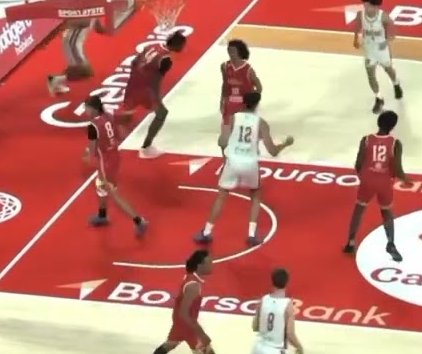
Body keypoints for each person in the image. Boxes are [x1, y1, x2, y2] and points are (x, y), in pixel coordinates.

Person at [195, 91, 294, 246]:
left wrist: (227, 144)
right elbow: (273, 151)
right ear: (257, 104)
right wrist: (285, 144)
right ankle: (252, 234)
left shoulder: (233, 118)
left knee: (222, 196)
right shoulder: (261, 123)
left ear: (243, 103)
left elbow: (222, 142)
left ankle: (206, 232)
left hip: (233, 161)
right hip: (250, 163)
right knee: (255, 195)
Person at [140, 249, 217, 354]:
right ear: (200, 265)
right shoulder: (193, 286)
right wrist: (202, 335)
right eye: (209, 262)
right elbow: (185, 313)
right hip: (187, 326)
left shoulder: (190, 278)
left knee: (169, 345)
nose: (212, 264)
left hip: (180, 323)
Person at [343, 110, 410, 262]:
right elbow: (397, 169)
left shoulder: (366, 139)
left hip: (367, 179)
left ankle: (350, 243)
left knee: (359, 210)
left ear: (378, 122)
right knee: (386, 212)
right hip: (384, 182)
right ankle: (390, 243)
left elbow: (358, 163)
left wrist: (364, 177)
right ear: (393, 126)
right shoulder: (395, 143)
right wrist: (406, 179)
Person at [83, 95, 148, 236]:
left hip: (105, 161)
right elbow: (119, 133)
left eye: (87, 109)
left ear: (94, 109)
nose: (85, 112)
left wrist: (87, 154)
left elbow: (92, 149)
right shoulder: (108, 116)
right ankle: (102, 214)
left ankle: (138, 221)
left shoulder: (93, 126)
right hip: (114, 156)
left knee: (112, 192)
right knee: (100, 186)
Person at [117, 31, 187, 159]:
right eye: (182, 45)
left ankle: (112, 131)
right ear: (176, 45)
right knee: (162, 113)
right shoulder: (166, 59)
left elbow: (134, 62)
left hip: (133, 83)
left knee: (128, 111)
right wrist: (157, 98)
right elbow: (156, 81)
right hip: (146, 89)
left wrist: (137, 75)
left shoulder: (151, 46)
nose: (183, 48)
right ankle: (146, 148)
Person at [352, 0, 402, 114]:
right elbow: (357, 27)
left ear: (374, 5)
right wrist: (356, 39)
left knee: (389, 70)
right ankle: (379, 98)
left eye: (367, 4)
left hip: (382, 49)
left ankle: (396, 83)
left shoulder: (384, 17)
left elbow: (392, 34)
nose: (365, 6)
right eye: (364, 4)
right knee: (370, 74)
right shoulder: (360, 15)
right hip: (369, 49)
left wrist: (386, 42)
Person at [220, 39, 262, 132]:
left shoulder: (248, 69)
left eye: (233, 51)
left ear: (239, 51)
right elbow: (225, 84)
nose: (230, 53)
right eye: (229, 50)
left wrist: (253, 100)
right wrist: (222, 101)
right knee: (228, 130)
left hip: (244, 103)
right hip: (230, 102)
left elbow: (259, 86)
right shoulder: (225, 66)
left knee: (243, 130)